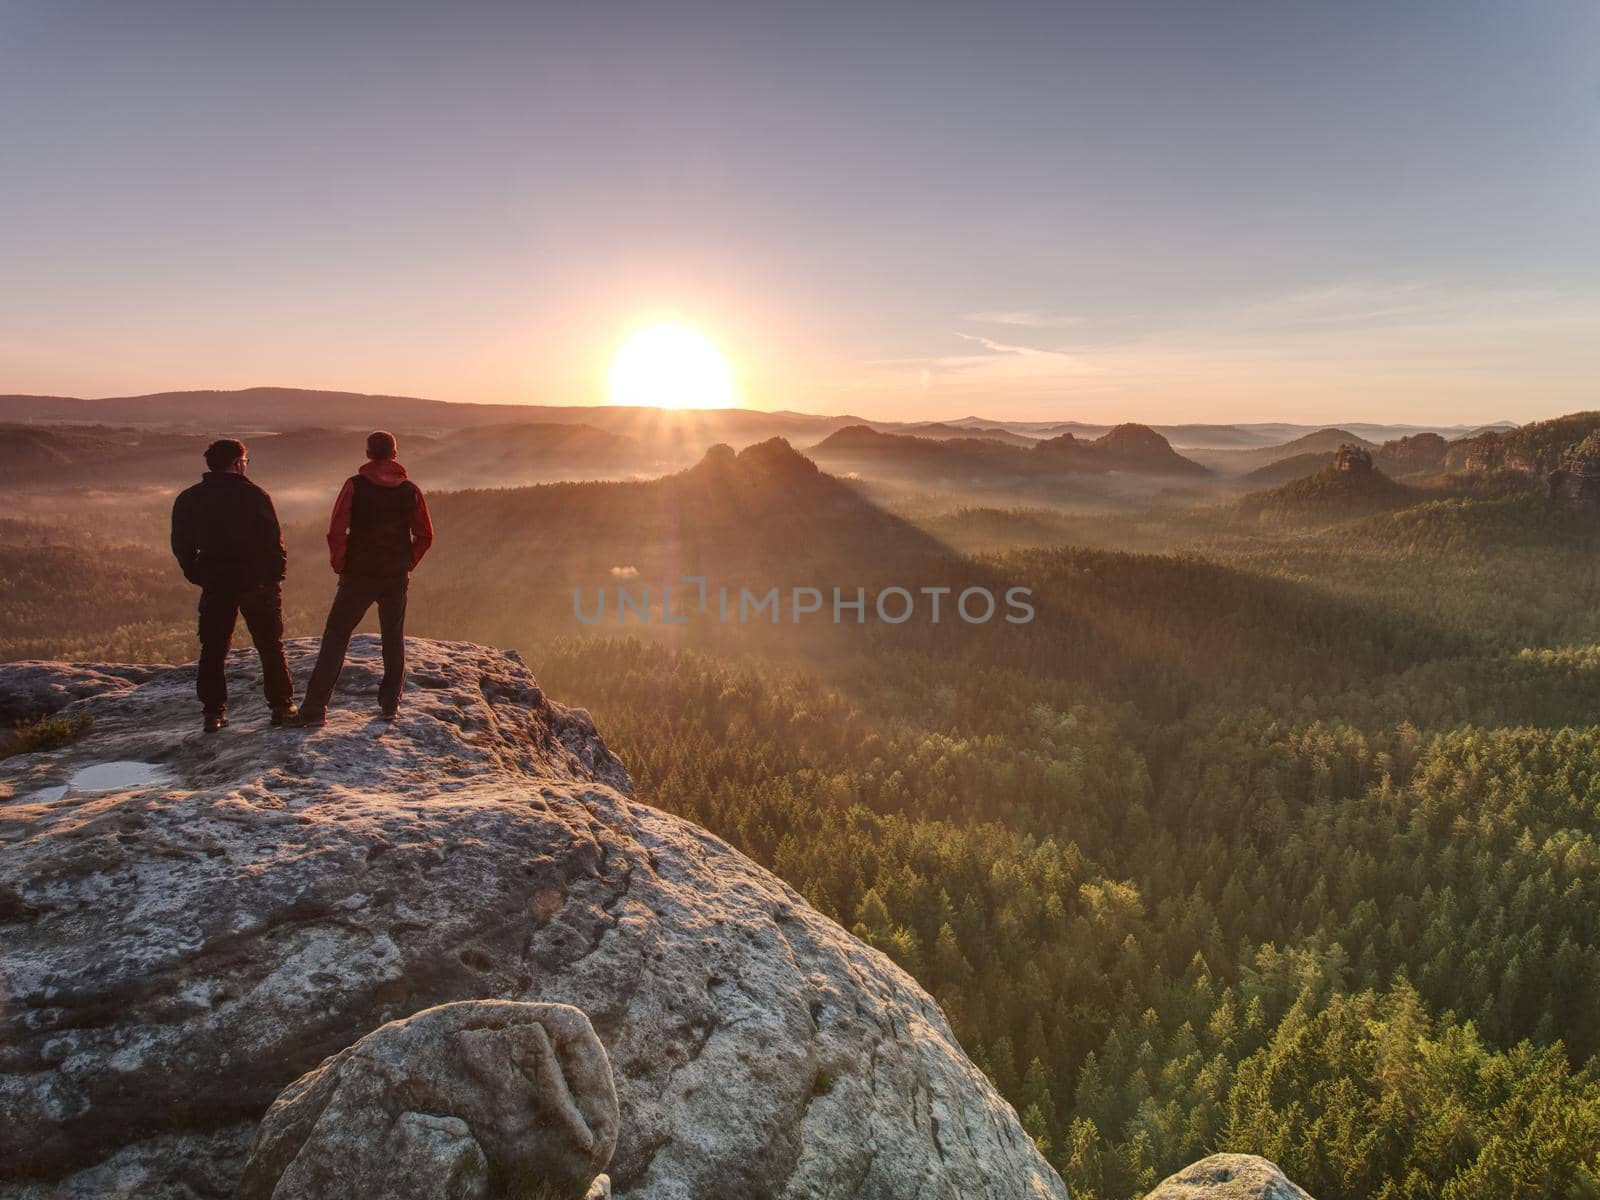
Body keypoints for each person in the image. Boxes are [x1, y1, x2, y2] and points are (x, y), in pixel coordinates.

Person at [295, 430, 433, 726]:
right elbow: (425, 534)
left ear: (369, 453)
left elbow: (336, 530)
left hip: (358, 573)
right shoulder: (410, 490)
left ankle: (314, 710)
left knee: (336, 636)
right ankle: (389, 706)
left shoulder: (355, 486)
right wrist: (407, 562)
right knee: (393, 638)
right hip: (395, 575)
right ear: (394, 454)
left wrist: (341, 564)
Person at [170, 439, 296, 732]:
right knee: (270, 646)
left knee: (213, 647)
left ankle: (213, 713)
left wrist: (198, 574)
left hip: (216, 582)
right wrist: (275, 576)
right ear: (238, 463)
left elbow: (181, 545)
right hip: (258, 583)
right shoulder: (254, 496)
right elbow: (273, 542)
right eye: (245, 462)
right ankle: (282, 707)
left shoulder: (190, 498)